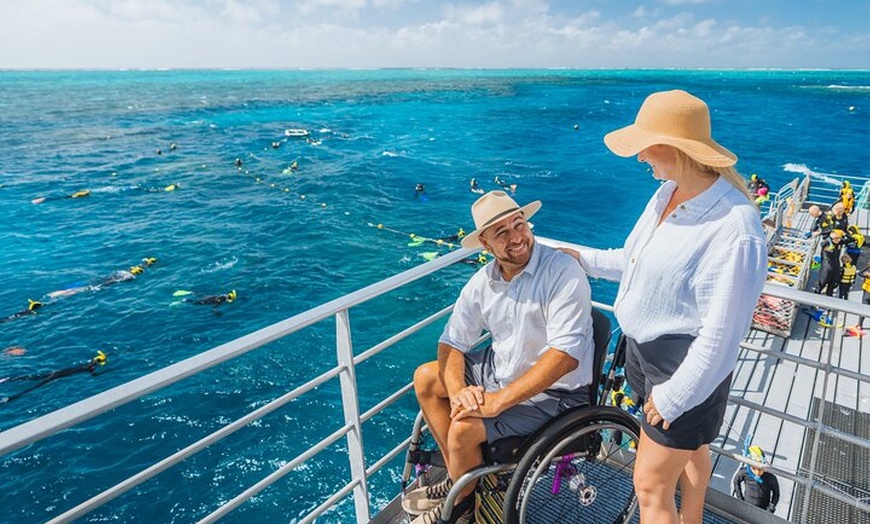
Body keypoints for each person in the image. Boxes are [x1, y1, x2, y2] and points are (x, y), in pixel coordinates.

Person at [561, 90, 767, 524]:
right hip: (645, 357)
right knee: (692, 453)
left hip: (683, 371)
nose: (639, 158)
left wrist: (673, 399)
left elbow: (723, 336)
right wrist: (578, 257)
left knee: (651, 488)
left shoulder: (734, 227)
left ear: (673, 149)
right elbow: (633, 261)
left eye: (644, 147)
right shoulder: (667, 194)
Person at [407, 191, 595, 523]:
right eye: (502, 233)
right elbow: (451, 343)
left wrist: (496, 402)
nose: (517, 238)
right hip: (501, 371)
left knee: (464, 428)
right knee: (426, 378)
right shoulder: (483, 282)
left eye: (519, 225)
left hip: (557, 394)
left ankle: (462, 506)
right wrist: (460, 392)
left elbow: (565, 357)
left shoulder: (562, 272)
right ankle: (460, 482)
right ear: (486, 244)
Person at [0, 351, 107, 403]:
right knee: (34, 388)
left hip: (56, 373)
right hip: (56, 376)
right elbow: (94, 375)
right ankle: (10, 399)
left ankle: (7, 379)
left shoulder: (85, 365)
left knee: (29, 377)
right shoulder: (89, 369)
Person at [732, 446, 780, 513]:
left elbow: (776, 493)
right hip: (747, 505)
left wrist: (771, 507)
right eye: (754, 468)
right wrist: (740, 498)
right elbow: (736, 481)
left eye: (760, 469)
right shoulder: (745, 472)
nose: (757, 472)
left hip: (764, 509)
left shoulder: (770, 478)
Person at [815, 229, 844, 296]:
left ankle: (828, 303)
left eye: (839, 238)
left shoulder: (839, 244)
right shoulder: (827, 244)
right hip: (827, 268)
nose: (838, 240)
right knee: (821, 285)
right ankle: (815, 301)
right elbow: (822, 244)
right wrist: (829, 237)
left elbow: (852, 239)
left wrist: (844, 234)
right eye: (836, 238)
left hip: (835, 268)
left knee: (831, 288)